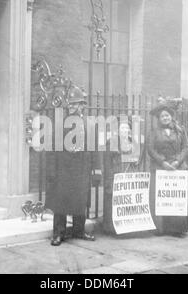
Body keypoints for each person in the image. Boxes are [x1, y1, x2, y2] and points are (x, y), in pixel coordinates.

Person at [45, 86, 95, 246]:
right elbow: (52, 149)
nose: (72, 107)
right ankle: (58, 233)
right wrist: (52, 171)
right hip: (64, 170)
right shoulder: (60, 123)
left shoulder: (89, 124)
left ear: (82, 105)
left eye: (76, 104)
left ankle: (79, 231)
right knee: (61, 202)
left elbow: (94, 149)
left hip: (81, 169)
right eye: (70, 104)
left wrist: (96, 171)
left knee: (80, 201)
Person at [147, 101, 188, 236]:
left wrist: (177, 161)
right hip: (161, 168)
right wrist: (163, 162)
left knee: (175, 198)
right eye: (162, 116)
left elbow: (186, 147)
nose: (165, 118)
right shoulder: (154, 132)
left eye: (167, 116)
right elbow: (150, 149)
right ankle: (161, 228)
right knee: (161, 198)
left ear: (171, 116)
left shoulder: (180, 129)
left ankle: (177, 229)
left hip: (177, 167)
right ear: (159, 119)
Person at [102, 119, 143, 234]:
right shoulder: (111, 142)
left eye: (127, 128)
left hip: (128, 176)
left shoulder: (133, 142)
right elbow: (107, 162)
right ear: (118, 131)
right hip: (116, 174)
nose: (125, 130)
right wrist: (110, 179)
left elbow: (138, 159)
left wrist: (136, 161)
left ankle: (127, 226)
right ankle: (111, 228)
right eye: (122, 128)